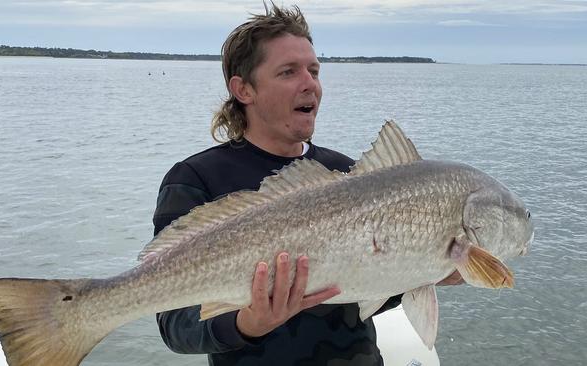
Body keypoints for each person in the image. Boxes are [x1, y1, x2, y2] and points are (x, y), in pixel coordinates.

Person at [152, 3, 462, 365]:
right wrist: (247, 323)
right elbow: (174, 324)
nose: (309, 83)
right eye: (288, 72)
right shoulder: (195, 179)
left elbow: (367, 289)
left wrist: (429, 269)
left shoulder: (349, 175)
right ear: (244, 90)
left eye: (314, 70)